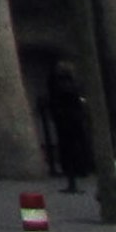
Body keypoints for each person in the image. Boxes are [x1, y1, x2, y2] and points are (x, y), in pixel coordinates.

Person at [45, 61, 96, 190]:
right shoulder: (73, 82)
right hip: (74, 116)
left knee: (69, 143)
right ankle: (81, 167)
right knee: (78, 141)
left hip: (65, 117)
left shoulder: (58, 83)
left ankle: (73, 169)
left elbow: (58, 98)